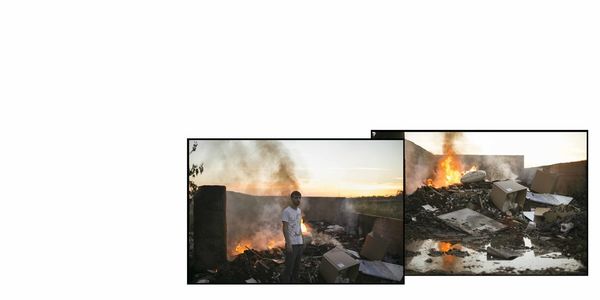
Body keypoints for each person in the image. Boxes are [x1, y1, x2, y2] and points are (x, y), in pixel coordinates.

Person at [280, 190, 304, 283]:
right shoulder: (286, 211)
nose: (298, 200)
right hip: (292, 244)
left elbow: (299, 224)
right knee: (289, 267)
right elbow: (285, 228)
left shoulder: (299, 210)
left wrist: (302, 238)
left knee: (297, 267)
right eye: (296, 197)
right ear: (291, 199)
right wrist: (288, 243)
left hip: (299, 243)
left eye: (299, 198)